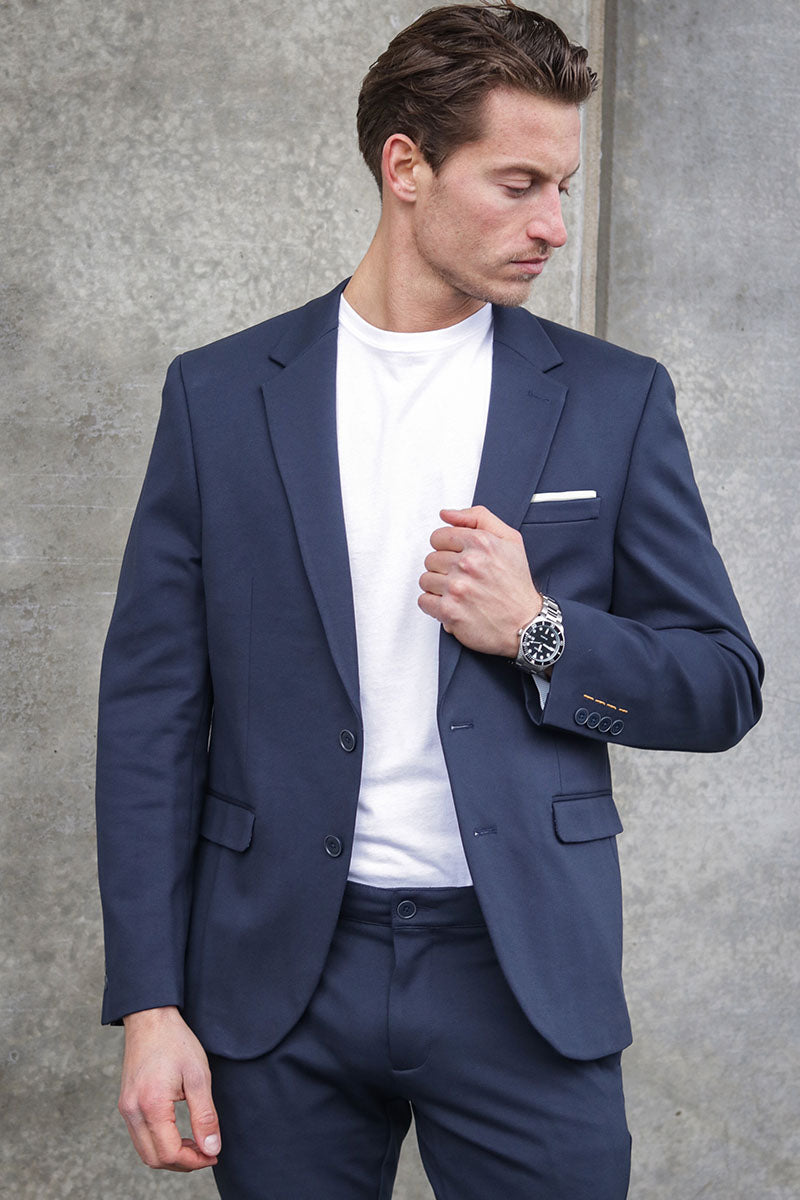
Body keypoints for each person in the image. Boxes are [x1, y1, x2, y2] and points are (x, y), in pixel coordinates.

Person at [95, 4, 763, 1197]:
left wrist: (539, 632)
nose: (551, 224)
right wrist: (150, 1003)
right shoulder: (220, 397)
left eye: (562, 188)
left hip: (519, 973)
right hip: (279, 979)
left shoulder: (611, 400)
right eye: (517, 184)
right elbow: (149, 719)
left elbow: (719, 685)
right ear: (405, 166)